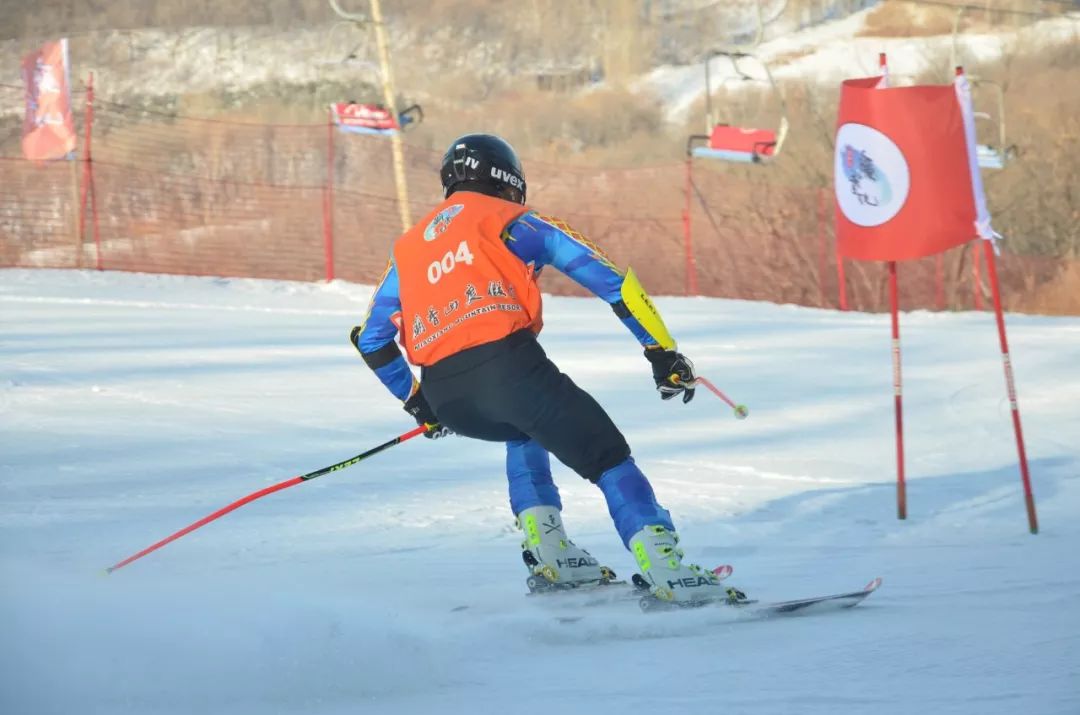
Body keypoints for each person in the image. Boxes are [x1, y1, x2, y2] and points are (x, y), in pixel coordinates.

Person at [351, 133, 740, 605]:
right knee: (607, 455)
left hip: (448, 396)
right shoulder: (515, 222)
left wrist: (419, 403)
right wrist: (663, 354)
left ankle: (549, 550)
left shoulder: (408, 250)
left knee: (524, 432)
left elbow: (370, 337)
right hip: (509, 370)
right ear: (509, 182)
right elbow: (616, 283)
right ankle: (667, 568)